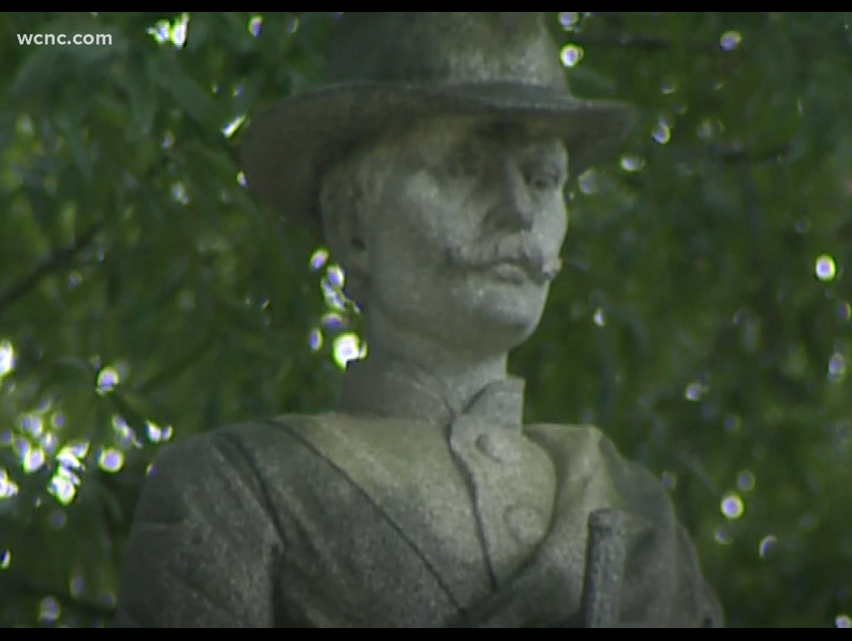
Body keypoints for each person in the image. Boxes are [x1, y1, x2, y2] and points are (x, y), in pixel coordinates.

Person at [112, 12, 723, 627]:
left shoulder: (638, 515)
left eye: (542, 177)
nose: (517, 209)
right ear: (353, 229)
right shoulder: (238, 491)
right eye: (462, 167)